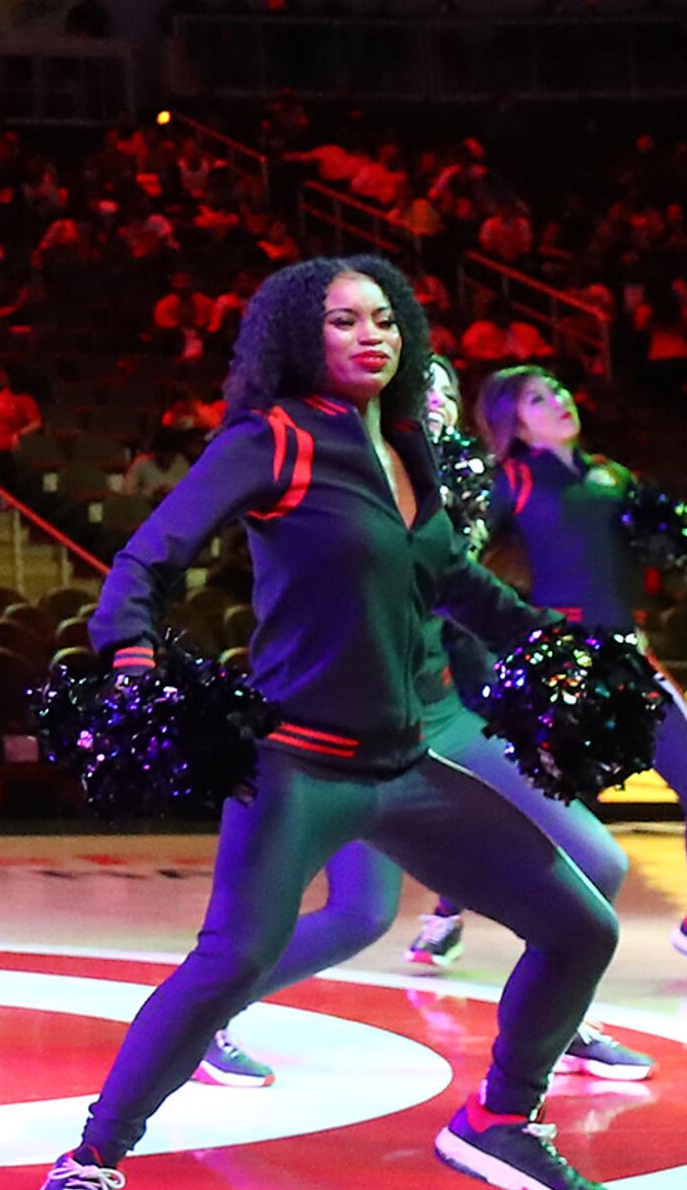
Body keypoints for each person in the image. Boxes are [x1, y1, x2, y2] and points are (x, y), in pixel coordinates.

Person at [19, 258, 623, 1190]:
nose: (371, 336)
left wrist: (549, 643)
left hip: (408, 766)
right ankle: (87, 1161)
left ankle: (500, 1120)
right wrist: (130, 652)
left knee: (580, 926)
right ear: (304, 338)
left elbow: (448, 575)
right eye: (345, 321)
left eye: (384, 318)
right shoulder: (272, 442)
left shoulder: (406, 452)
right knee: (230, 964)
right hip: (299, 763)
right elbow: (149, 559)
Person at [188, 354, 657, 1091]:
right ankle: (207, 1013)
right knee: (359, 915)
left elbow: (476, 589)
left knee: (599, 862)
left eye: (443, 389)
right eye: (418, 387)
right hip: (343, 726)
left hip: (444, 714)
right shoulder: (330, 482)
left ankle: (555, 1021)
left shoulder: (454, 485)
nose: (433, 399)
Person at [419, 367, 687, 982]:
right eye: (538, 398)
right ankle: (445, 915)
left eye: (560, 390)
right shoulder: (512, 480)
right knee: (519, 805)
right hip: (561, 661)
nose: (560, 400)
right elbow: (455, 565)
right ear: (514, 421)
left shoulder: (615, 477)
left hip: (630, 655)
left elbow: (671, 539)